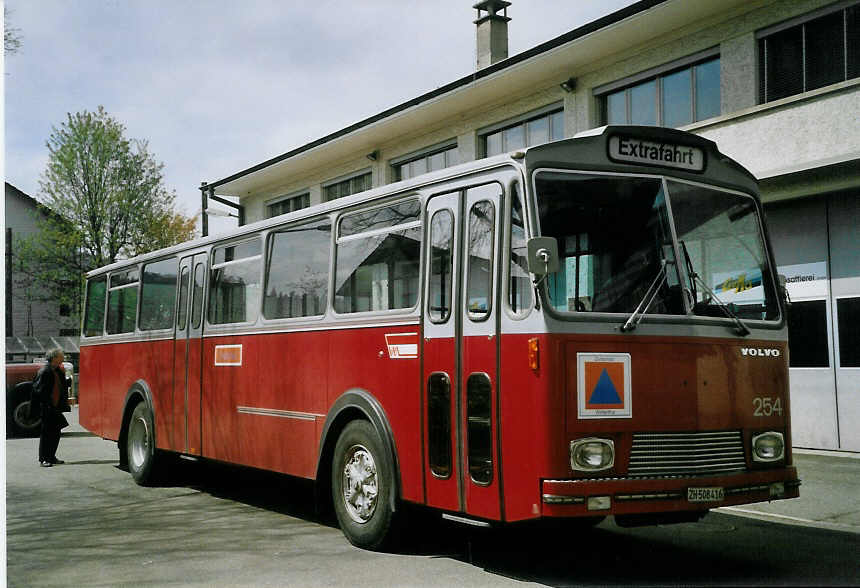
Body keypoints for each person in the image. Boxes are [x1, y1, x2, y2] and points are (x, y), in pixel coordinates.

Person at [33, 348, 70, 467]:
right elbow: (38, 391)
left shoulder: (58, 370)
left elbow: (61, 387)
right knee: (47, 433)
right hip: (47, 408)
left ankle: (51, 456)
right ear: (54, 358)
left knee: (56, 432)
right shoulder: (45, 371)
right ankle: (43, 459)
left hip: (55, 407)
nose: (63, 357)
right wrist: (46, 406)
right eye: (61, 355)